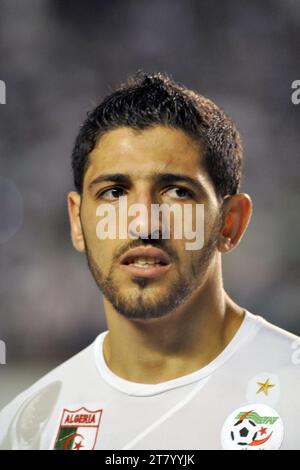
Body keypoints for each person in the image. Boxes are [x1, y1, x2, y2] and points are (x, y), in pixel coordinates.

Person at [0, 71, 299, 450]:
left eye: (176, 191)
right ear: (77, 221)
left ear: (231, 222)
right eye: (113, 192)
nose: (143, 222)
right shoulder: (24, 431)